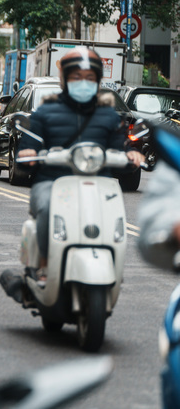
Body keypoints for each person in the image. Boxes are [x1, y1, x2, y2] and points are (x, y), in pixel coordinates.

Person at [17, 47, 145, 272]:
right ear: (64, 79)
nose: (83, 83)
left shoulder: (109, 116)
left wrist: (130, 156)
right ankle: (44, 265)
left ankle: (113, 265)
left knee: (114, 213)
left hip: (99, 183)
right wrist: (28, 154)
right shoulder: (44, 113)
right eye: (76, 77)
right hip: (53, 182)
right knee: (46, 208)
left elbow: (119, 150)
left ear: (97, 81)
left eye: (89, 78)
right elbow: (29, 147)